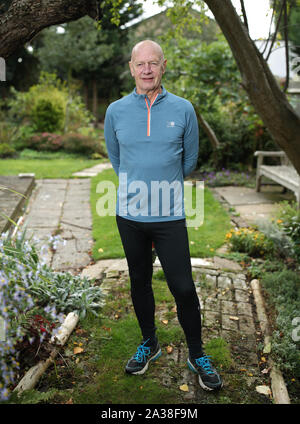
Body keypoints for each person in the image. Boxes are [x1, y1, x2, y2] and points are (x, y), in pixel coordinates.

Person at [104, 39, 222, 391]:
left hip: (169, 215)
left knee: (183, 287)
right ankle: (149, 342)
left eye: (153, 63)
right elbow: (116, 158)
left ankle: (197, 353)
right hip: (129, 215)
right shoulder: (116, 110)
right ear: (131, 68)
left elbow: (188, 160)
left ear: (163, 66)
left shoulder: (184, 109)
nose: (147, 69)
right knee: (139, 281)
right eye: (140, 64)